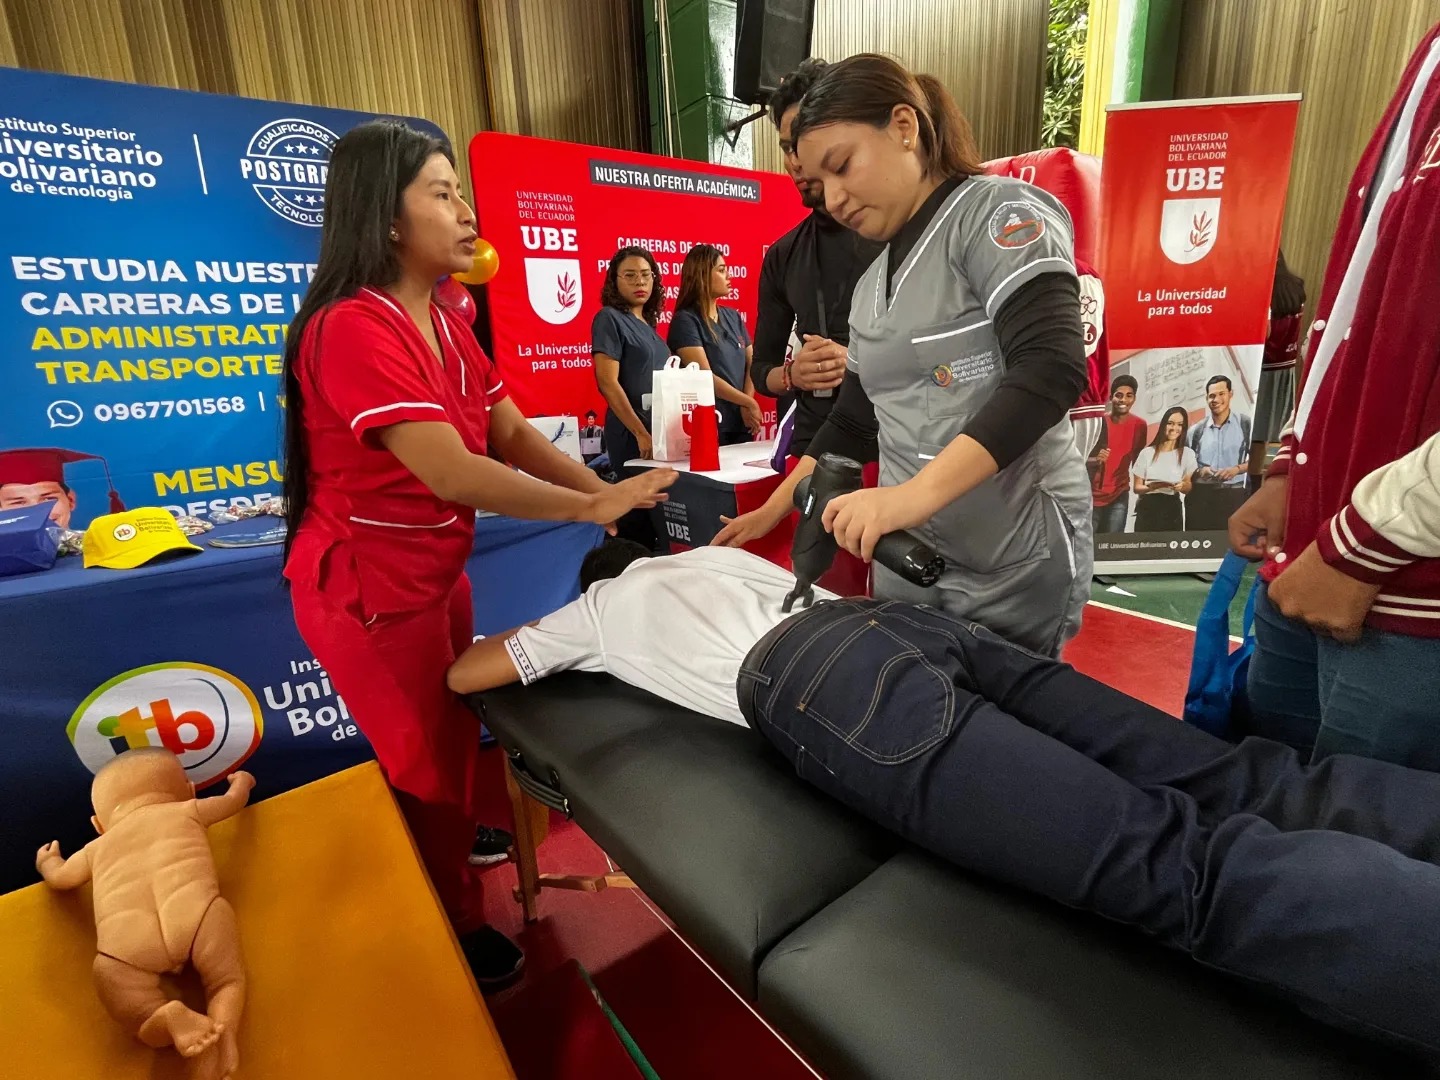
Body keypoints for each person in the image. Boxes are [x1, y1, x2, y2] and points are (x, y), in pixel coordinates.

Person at [449, 538, 1440, 1059]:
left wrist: (553, 629)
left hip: (828, 691)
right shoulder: (713, 557)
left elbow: (470, 675)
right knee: (1244, 778)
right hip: (914, 634)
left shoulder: (601, 604)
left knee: (1178, 869)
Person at [279, 120, 675, 984]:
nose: (467, 215)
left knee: (455, 724)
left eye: (462, 193)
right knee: (420, 761)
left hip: (434, 572)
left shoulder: (446, 318)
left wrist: (598, 500)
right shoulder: (351, 327)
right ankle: (453, 922)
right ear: (388, 218)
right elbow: (454, 471)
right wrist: (593, 502)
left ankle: (456, 831)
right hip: (367, 588)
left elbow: (508, 432)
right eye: (444, 194)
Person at [702, 54, 1092, 656]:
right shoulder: (869, 287)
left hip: (1010, 555)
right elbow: (853, 424)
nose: (832, 198)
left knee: (1003, 726)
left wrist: (907, 498)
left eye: (842, 167)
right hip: (911, 558)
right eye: (817, 181)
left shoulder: (994, 215)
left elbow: (1051, 366)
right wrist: (773, 511)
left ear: (905, 127)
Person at [1228, 20, 1440, 772]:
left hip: (1400, 589)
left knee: (1361, 858)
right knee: (1270, 812)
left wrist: (1365, 542)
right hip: (1320, 549)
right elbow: (1358, 314)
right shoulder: (1427, 59)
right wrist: (1295, 468)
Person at [713, 59, 885, 594]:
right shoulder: (785, 255)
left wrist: (857, 357)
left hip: (895, 454)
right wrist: (793, 376)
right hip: (815, 452)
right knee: (829, 609)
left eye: (809, 146)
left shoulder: (903, 233)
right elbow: (761, 367)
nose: (797, 163)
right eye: (788, 147)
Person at [668, 244, 764, 445]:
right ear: (702, 275)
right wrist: (747, 402)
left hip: (742, 422)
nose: (729, 276)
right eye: (721, 270)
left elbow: (753, 362)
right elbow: (703, 377)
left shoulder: (733, 317)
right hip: (709, 425)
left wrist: (745, 405)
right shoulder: (685, 320)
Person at [591, 246, 670, 465]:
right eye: (630, 275)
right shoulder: (609, 318)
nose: (639, 282)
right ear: (614, 281)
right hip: (631, 435)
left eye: (646, 275)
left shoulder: (648, 324)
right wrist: (639, 433)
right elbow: (607, 382)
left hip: (659, 433)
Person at [1250, 251, 1305, 488]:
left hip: (1264, 369)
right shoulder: (1296, 287)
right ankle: (1256, 477)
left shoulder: (1264, 291)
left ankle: (1252, 482)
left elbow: (1265, 334)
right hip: (1286, 368)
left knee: (1255, 431)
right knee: (1265, 434)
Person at [1185, 375, 1251, 531]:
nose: (1216, 399)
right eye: (1212, 396)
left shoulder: (1245, 424)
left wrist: (1237, 469)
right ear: (1206, 398)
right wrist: (1201, 471)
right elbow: (1185, 467)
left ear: (1230, 394)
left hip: (1235, 496)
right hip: (1203, 497)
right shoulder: (1195, 431)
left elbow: (1258, 460)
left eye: (1221, 394)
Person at [0, 447, 125, 529]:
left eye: (48, 499)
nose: (38, 511)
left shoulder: (101, 550)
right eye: (19, 502)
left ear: (70, 500)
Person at [1088, 376, 1147, 536]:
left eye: (1129, 395)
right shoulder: (1098, 422)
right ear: (1111, 397)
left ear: (1134, 398)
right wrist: (1095, 460)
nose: (1124, 400)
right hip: (1092, 496)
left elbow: (1138, 462)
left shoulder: (1140, 425)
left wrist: (1142, 492)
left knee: (1114, 547)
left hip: (1119, 494)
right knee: (1089, 548)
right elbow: (1078, 459)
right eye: (1119, 395)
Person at [1130, 406, 1197, 533]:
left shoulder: (1188, 454)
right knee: (1145, 549)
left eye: (1179, 424)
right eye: (1170, 423)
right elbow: (1137, 488)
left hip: (1171, 508)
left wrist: (1181, 486)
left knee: (1170, 550)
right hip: (1147, 507)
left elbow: (1188, 487)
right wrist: (1153, 487)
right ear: (1163, 424)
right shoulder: (1147, 453)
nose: (1174, 428)